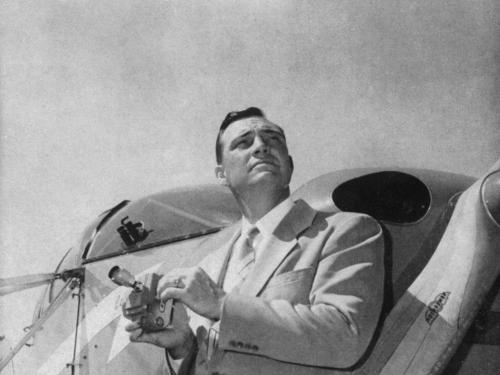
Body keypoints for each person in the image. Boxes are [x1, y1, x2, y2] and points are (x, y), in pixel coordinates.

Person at [124, 107, 385, 375]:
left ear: (290, 165)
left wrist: (224, 305)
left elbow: (345, 336)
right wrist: (181, 348)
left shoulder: (347, 230)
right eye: (243, 143)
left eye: (273, 139)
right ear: (221, 175)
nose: (261, 146)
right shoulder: (211, 263)